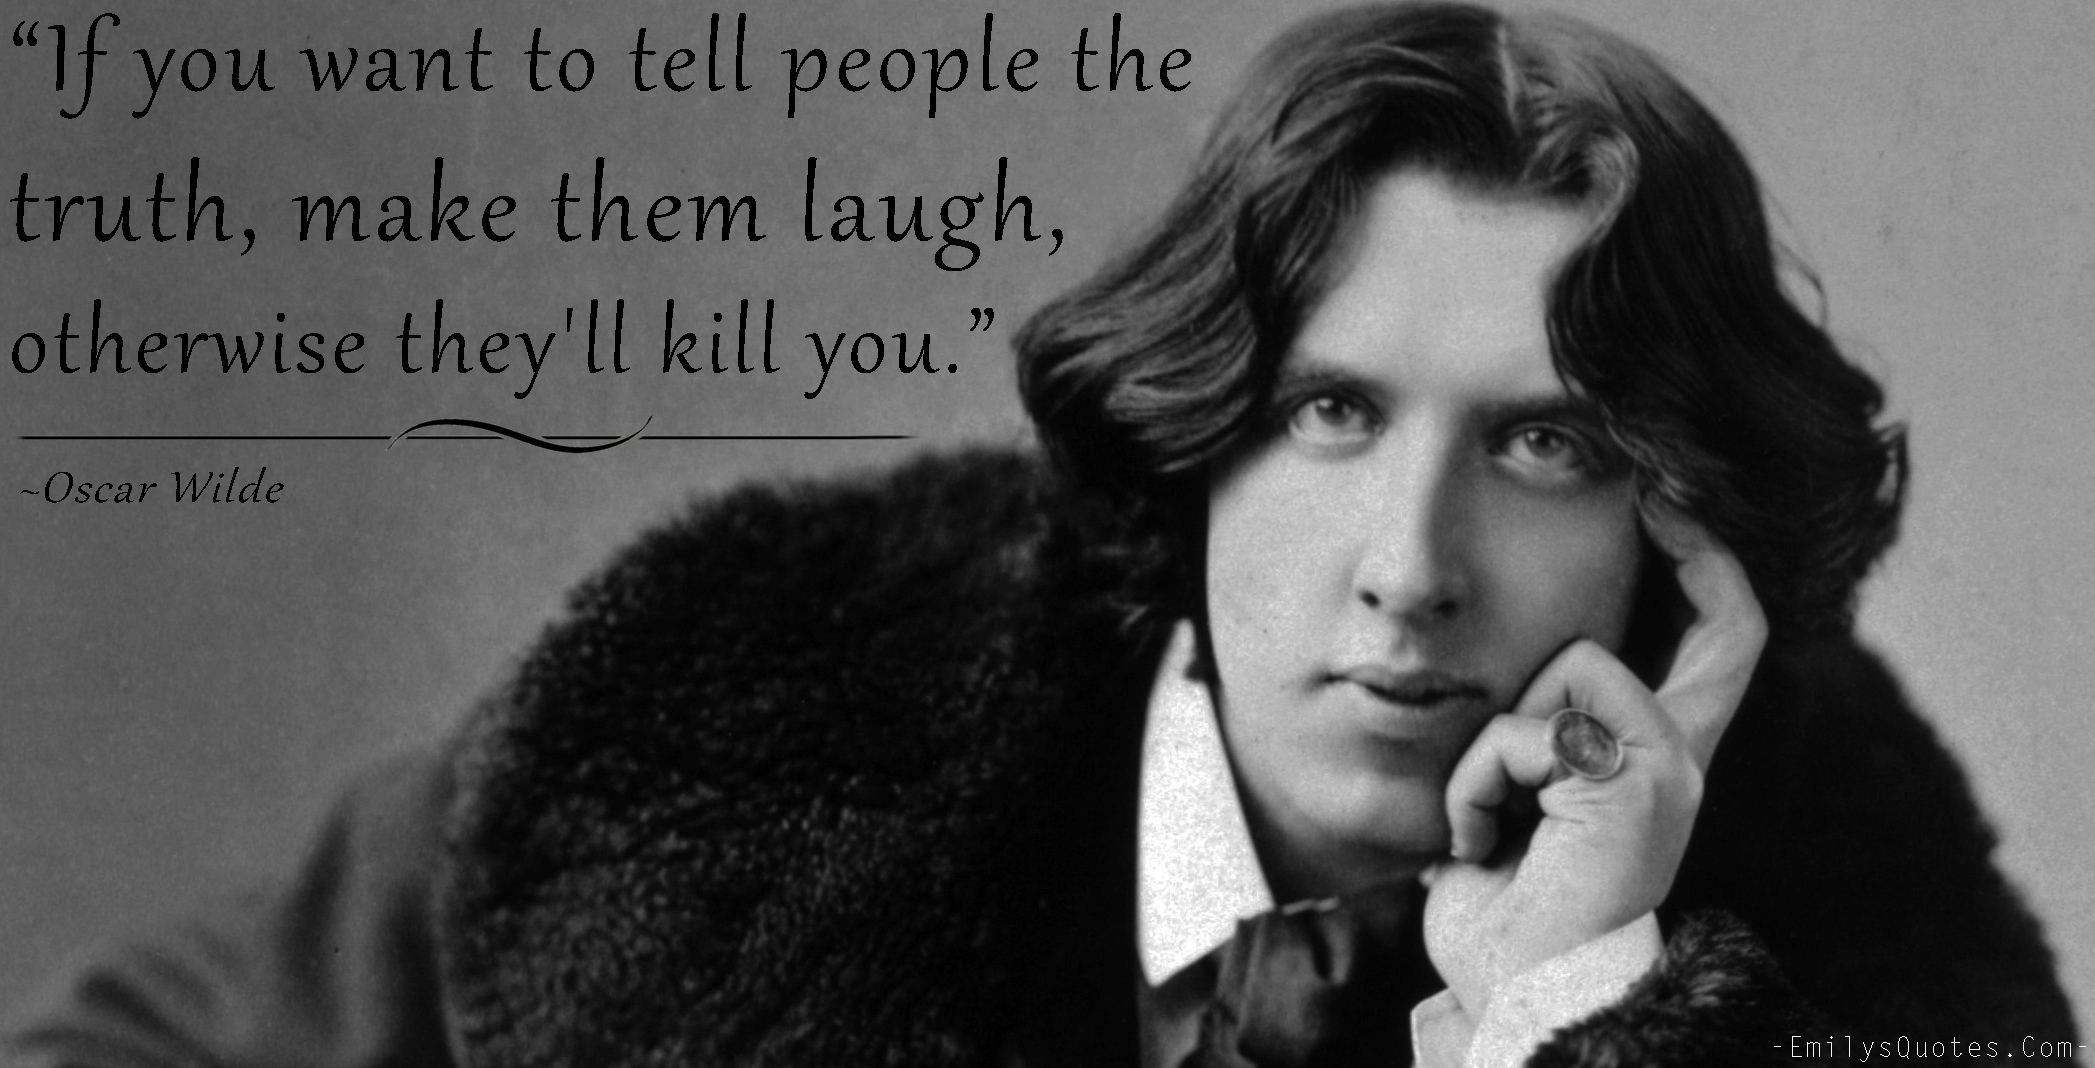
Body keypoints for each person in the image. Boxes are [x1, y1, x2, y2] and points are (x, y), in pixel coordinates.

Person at [5, 3, 2075, 1066]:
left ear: (1680, 526)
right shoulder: (742, 725)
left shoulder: (1880, 956)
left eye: (1545, 445)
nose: (1409, 564)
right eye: (1330, 413)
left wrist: (1572, 1008)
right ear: (1193, 429)